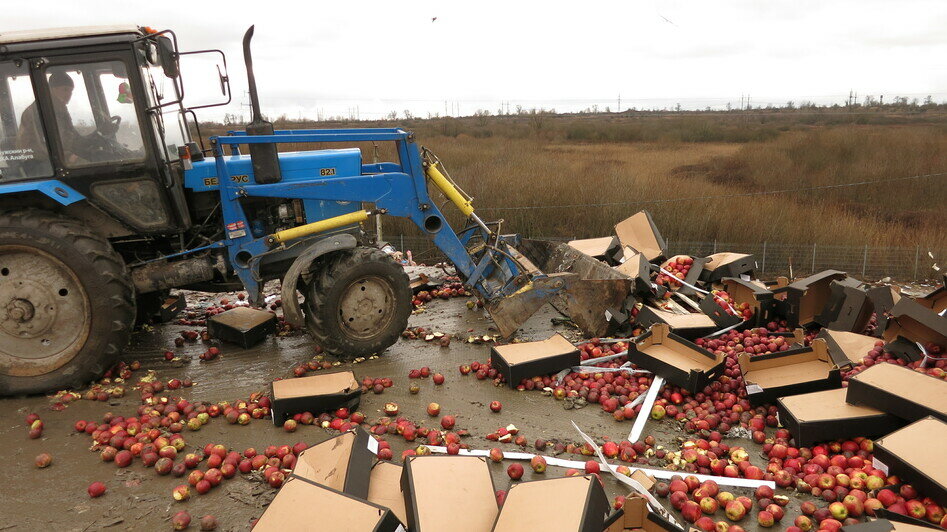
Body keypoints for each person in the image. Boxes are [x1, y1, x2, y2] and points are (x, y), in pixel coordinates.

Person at [17, 71, 93, 166]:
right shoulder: (40, 110)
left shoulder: (60, 109)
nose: (69, 94)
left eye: (71, 91)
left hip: (57, 157)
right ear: (52, 90)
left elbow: (73, 136)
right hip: (39, 162)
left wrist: (94, 138)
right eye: (65, 90)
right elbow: (43, 145)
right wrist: (70, 157)